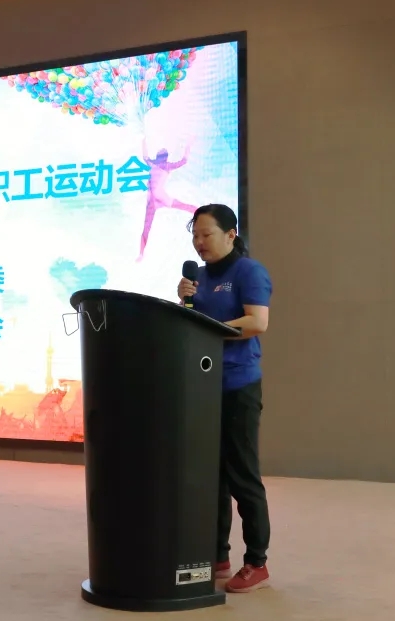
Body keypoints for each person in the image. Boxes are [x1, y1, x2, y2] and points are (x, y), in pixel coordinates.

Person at [176, 203, 272, 594]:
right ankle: (218, 555)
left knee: (242, 476)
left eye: (207, 234)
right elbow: (188, 325)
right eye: (195, 236)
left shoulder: (249, 271)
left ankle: (257, 562)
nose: (199, 243)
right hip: (202, 388)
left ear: (231, 234)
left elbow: (257, 321)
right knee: (211, 476)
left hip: (238, 385)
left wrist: (209, 327)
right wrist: (183, 301)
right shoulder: (196, 277)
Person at [136, 138, 197, 262]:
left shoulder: (153, 163)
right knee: (184, 206)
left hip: (153, 200)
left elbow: (144, 155)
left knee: (146, 227)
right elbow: (184, 161)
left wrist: (143, 140)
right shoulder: (165, 165)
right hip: (159, 198)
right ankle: (141, 253)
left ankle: (141, 254)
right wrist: (188, 146)